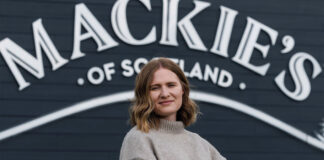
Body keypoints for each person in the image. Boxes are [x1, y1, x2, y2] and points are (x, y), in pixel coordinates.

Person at [119, 57, 226, 160]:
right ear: (145, 95)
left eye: (171, 85)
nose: (165, 94)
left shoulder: (201, 145)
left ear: (183, 89)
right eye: (155, 88)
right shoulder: (139, 138)